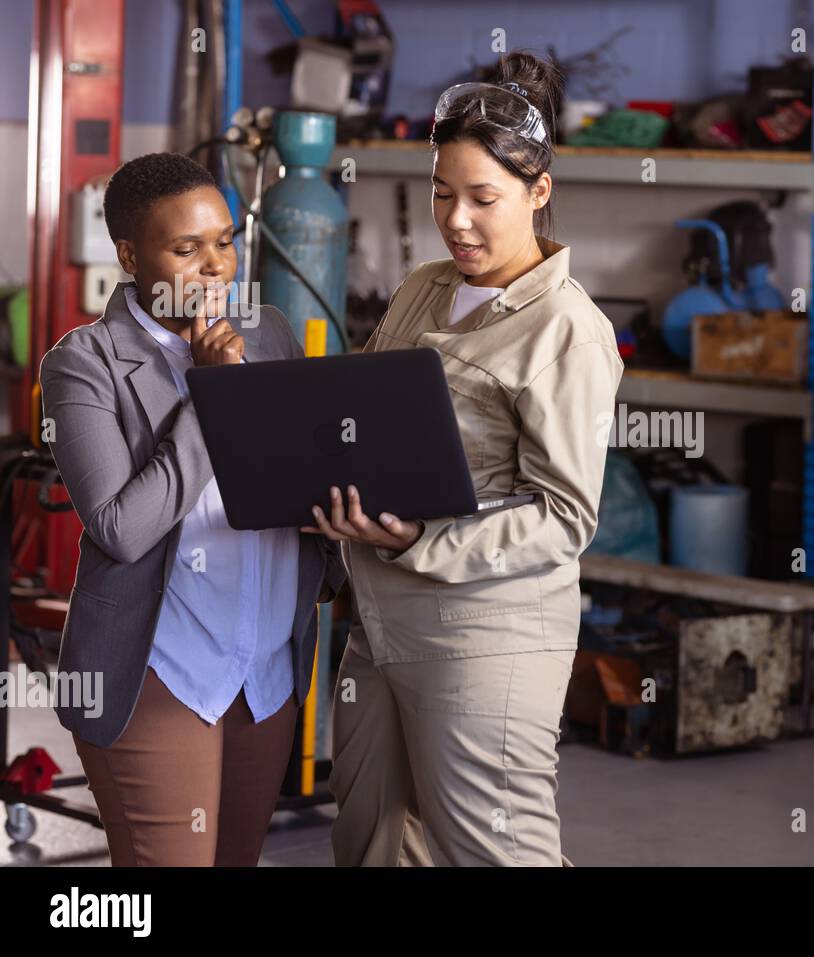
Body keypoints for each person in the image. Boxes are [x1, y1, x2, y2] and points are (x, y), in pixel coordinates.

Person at [310, 51, 623, 866]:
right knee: (372, 837)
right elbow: (371, 415)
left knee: (490, 848)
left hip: (486, 631)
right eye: (443, 194)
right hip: (378, 622)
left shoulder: (566, 330)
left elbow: (563, 520)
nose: (457, 220)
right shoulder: (425, 285)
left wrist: (421, 541)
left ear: (539, 191)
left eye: (484, 198)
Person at [38, 152, 346, 866]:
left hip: (264, 667)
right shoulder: (86, 362)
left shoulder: (266, 332)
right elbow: (121, 526)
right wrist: (212, 395)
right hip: (163, 665)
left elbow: (303, 474)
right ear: (129, 254)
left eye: (225, 240)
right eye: (185, 248)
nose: (215, 266)